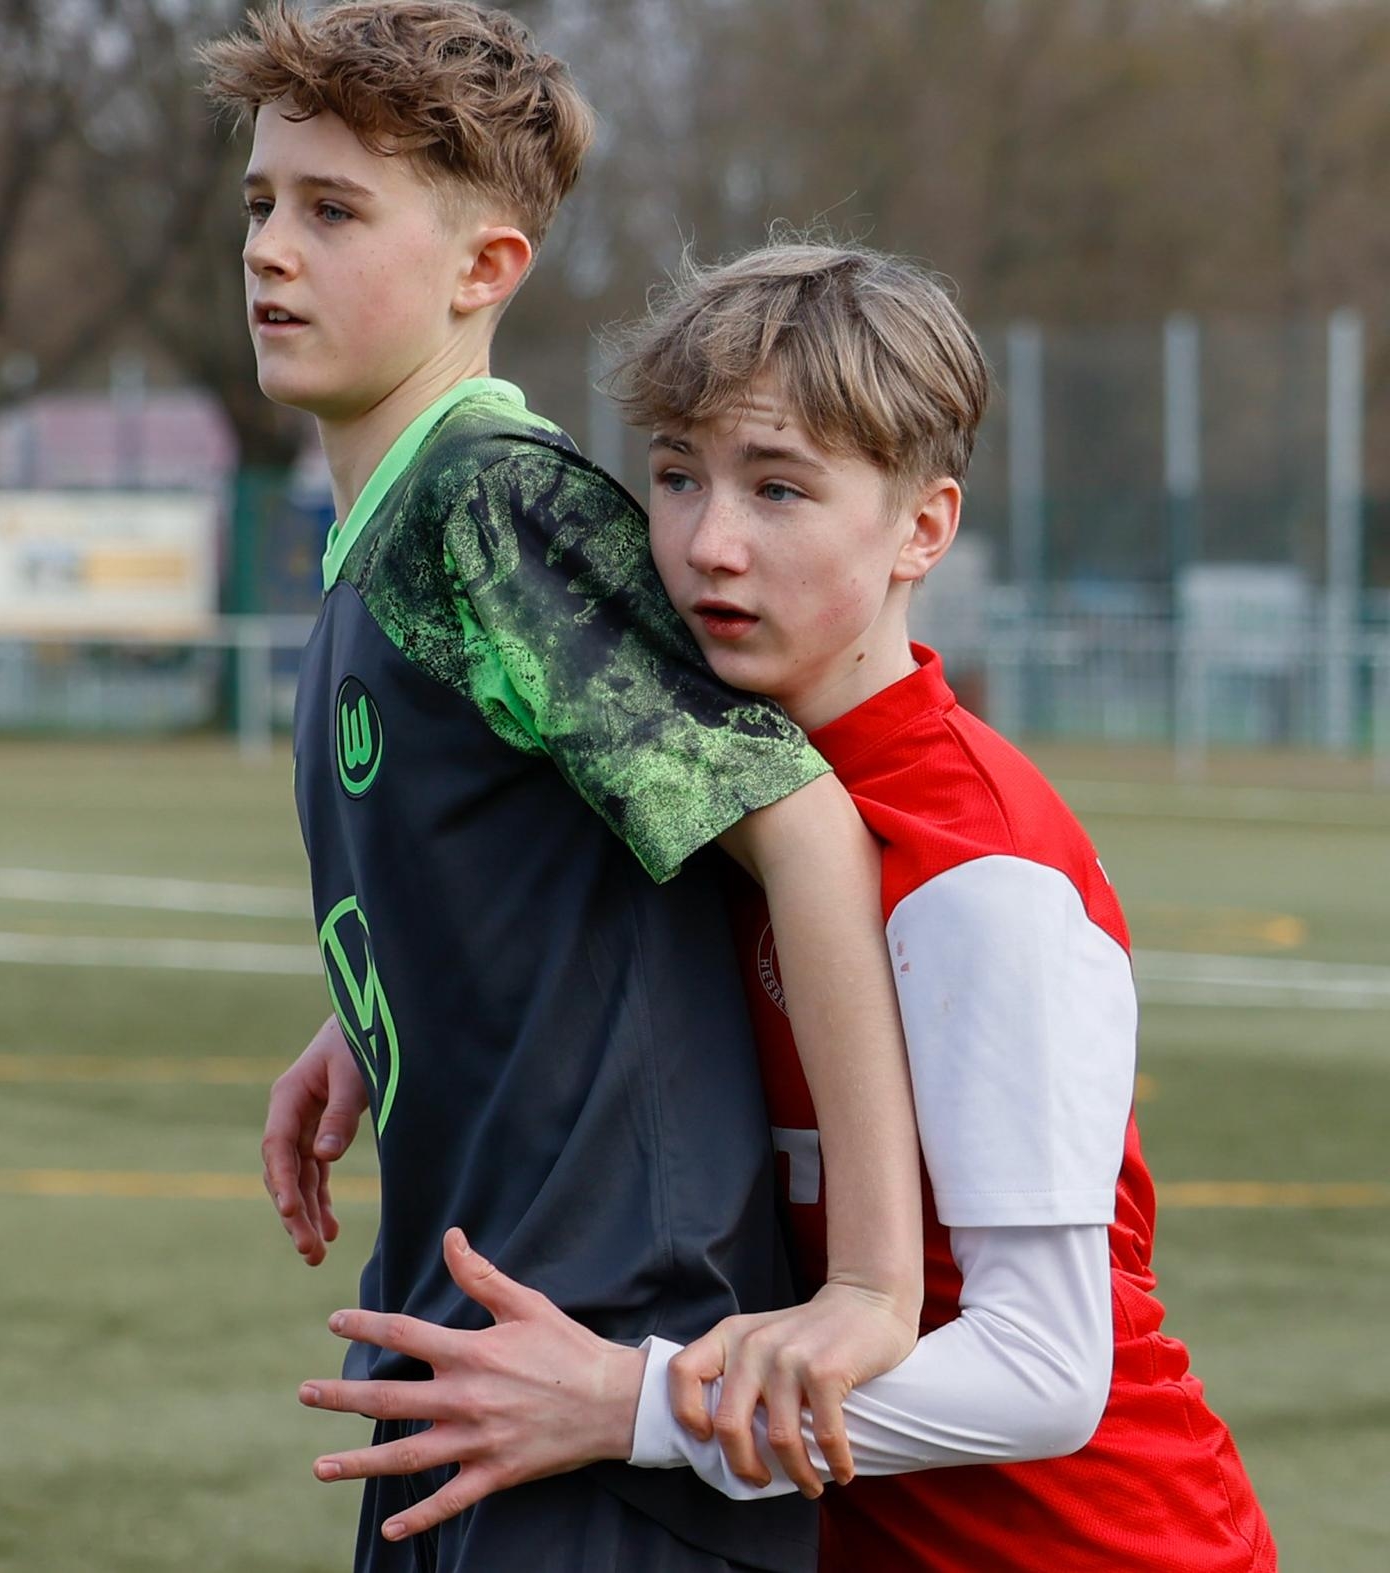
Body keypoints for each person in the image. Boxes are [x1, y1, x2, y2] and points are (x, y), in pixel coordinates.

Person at [295, 242, 1279, 1572]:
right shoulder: (715, 790)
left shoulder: (977, 871)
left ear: (922, 529)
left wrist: (632, 1405)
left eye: (779, 489)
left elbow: (1045, 1371)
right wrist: (366, 1021)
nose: (711, 543)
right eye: (677, 477)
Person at [201, 8, 924, 1570]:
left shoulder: (493, 509)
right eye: (261, 201)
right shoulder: (393, 535)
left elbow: (806, 829)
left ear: (486, 267)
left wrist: (871, 1287)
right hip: (473, 1356)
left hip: (600, 1370)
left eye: (335, 211)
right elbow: (550, 850)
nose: (270, 249)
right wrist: (371, 1006)